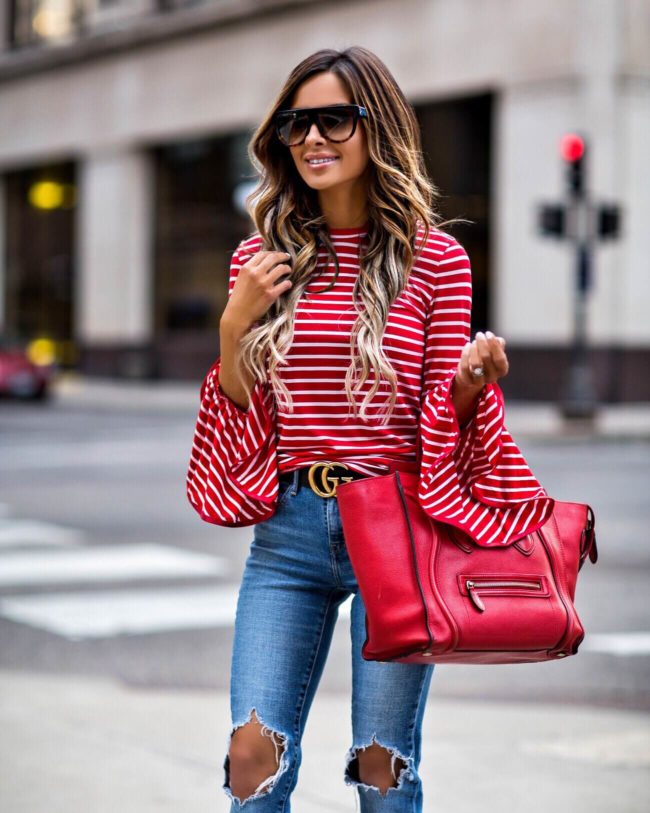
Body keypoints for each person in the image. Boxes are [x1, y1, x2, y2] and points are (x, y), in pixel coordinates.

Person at [186, 46, 553, 812]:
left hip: (396, 530)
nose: (313, 139)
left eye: (333, 119)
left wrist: (466, 384)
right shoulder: (259, 259)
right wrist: (233, 322)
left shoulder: (437, 260)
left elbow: (437, 426)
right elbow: (241, 416)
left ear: (375, 127)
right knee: (252, 764)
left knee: (383, 771)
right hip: (286, 534)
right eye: (296, 123)